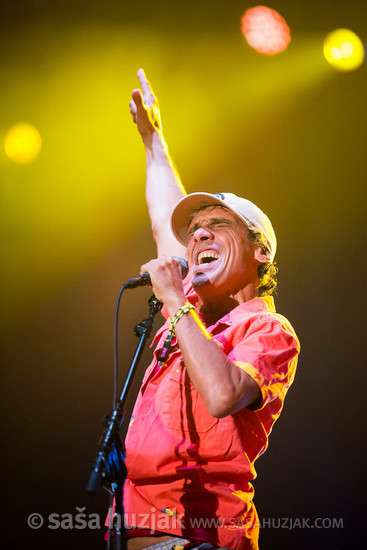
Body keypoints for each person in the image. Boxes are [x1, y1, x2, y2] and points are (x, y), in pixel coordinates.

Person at [122, 69, 300, 550]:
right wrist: (153, 140)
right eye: (194, 230)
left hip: (205, 537)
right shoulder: (192, 309)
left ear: (260, 251)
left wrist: (176, 303)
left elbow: (223, 395)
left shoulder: (267, 330)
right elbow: (166, 216)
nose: (197, 235)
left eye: (216, 226)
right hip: (137, 530)